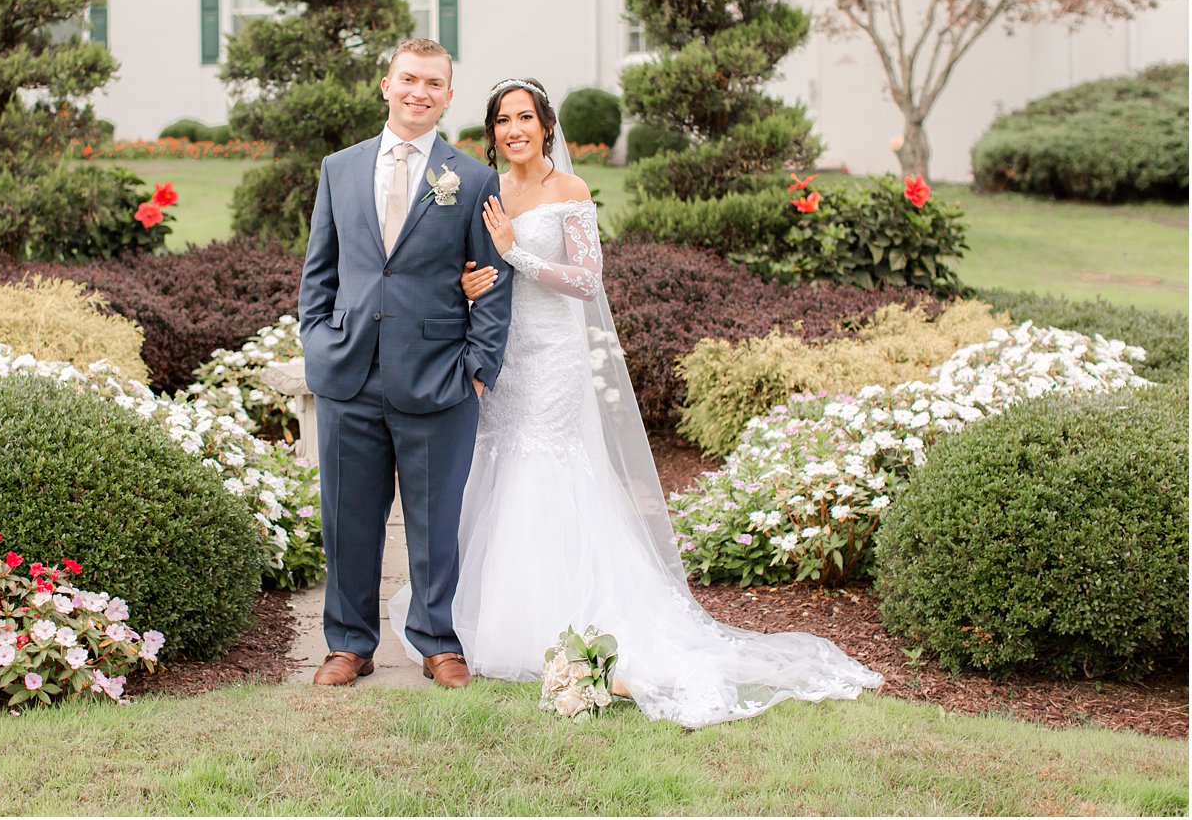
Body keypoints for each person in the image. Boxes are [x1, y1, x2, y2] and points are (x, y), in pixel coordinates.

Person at [389, 77, 882, 727]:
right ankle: (490, 609)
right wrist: (472, 278)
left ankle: (554, 615)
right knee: (501, 463)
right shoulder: (484, 188)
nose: (514, 129)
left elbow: (587, 279)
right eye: (504, 119)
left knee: (546, 464)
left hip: (556, 357)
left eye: (525, 118)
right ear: (493, 130)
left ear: (546, 126)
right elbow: (472, 264)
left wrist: (516, 254)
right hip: (504, 354)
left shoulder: (569, 191)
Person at [297, 39, 514, 689]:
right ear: (386, 84)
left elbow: (492, 279)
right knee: (347, 518)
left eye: (434, 83)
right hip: (349, 375)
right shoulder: (339, 168)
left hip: (438, 377)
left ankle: (438, 640)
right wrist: (318, 344)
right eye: (409, 79)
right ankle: (348, 643)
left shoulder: (471, 177)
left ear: (447, 96)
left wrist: (478, 369)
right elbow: (321, 272)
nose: (420, 91)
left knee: (434, 521)